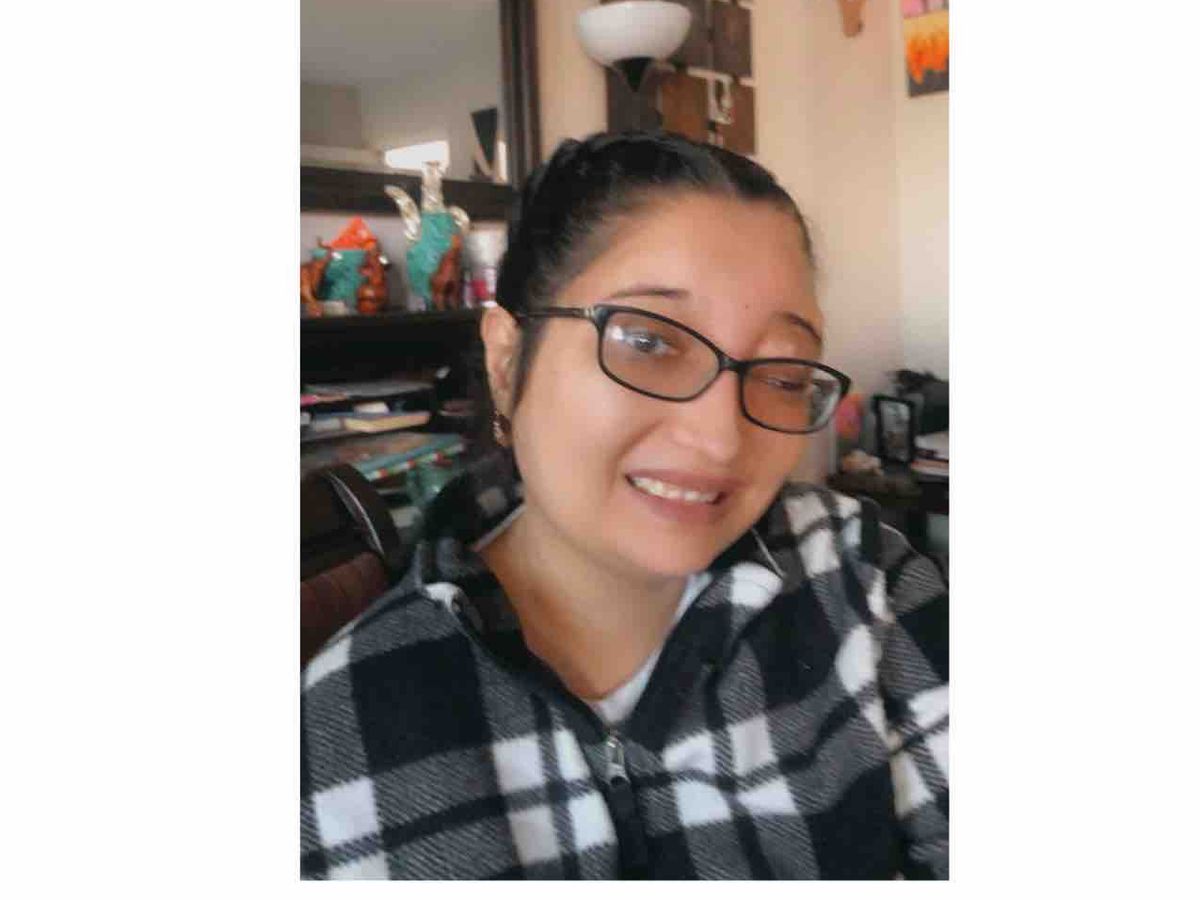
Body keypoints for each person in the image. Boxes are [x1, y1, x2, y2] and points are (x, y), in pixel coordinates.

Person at [301, 131, 948, 880]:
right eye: (648, 341)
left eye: (783, 374)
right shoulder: (340, 733)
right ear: (507, 361)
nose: (720, 439)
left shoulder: (863, 579)